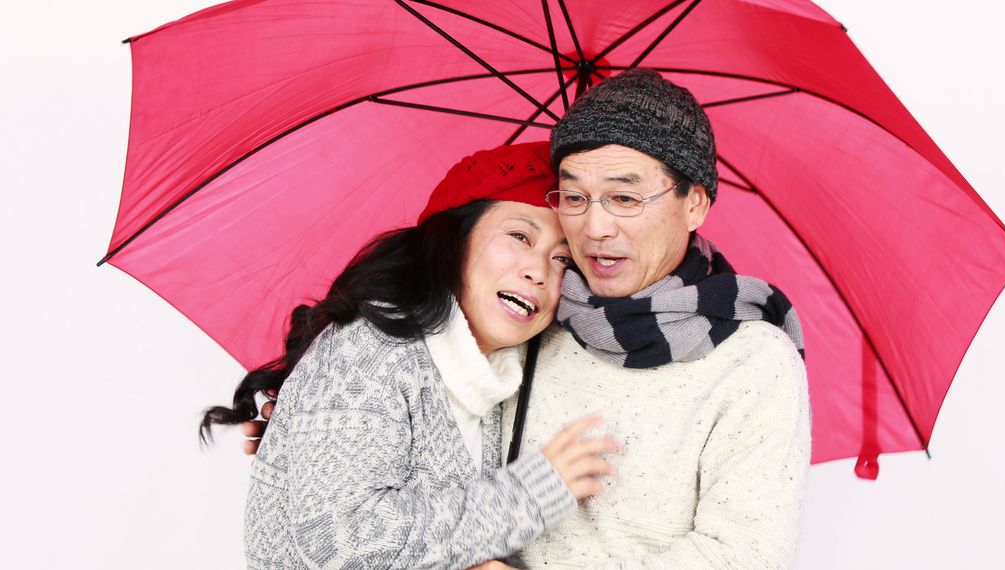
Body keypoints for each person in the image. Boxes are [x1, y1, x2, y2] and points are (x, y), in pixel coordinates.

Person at [248, 69, 812, 569]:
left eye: (624, 198)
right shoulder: (544, 325)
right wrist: (318, 427)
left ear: (695, 203)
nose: (594, 230)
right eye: (574, 197)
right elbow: (406, 476)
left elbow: (741, 556)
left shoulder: (754, 361)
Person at [201, 142, 620, 570]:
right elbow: (341, 542)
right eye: (519, 236)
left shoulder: (498, 379)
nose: (539, 270)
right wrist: (531, 494)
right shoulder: (370, 350)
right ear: (455, 241)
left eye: (563, 259)